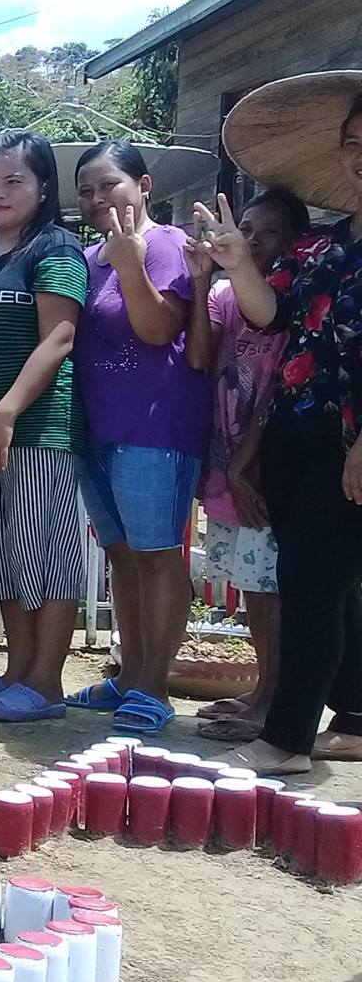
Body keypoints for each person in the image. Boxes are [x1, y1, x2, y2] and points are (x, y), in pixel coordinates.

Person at [205, 73, 362, 774]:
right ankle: (351, 720)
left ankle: (288, 740)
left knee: (313, 585)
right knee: (325, 581)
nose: (359, 155)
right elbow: (274, 319)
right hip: (297, 432)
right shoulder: (326, 248)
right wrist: (238, 263)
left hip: (348, 439)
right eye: (352, 143)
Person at [66, 140, 209, 735]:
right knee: (121, 557)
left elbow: (157, 331)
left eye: (110, 185)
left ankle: (155, 685)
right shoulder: (87, 255)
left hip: (156, 424)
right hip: (98, 425)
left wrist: (129, 262)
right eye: (87, 190)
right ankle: (128, 675)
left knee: (156, 556)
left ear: (144, 186)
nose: (98, 199)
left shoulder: (168, 245)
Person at [0, 129, 90, 722]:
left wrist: (7, 411)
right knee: (7, 554)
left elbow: (60, 336)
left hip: (37, 431)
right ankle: (16, 670)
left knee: (48, 557)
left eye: (14, 180)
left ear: (42, 187)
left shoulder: (56, 247)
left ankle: (46, 683)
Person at [186, 188, 300, 744]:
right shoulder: (228, 295)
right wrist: (205, 280)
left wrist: (242, 466)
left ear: (295, 242)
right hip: (227, 461)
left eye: (269, 232)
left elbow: (278, 388)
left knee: (271, 588)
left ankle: (275, 700)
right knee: (252, 586)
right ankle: (263, 689)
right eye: (246, 228)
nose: (253, 240)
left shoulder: (293, 296)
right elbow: (202, 357)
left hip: (263, 469)